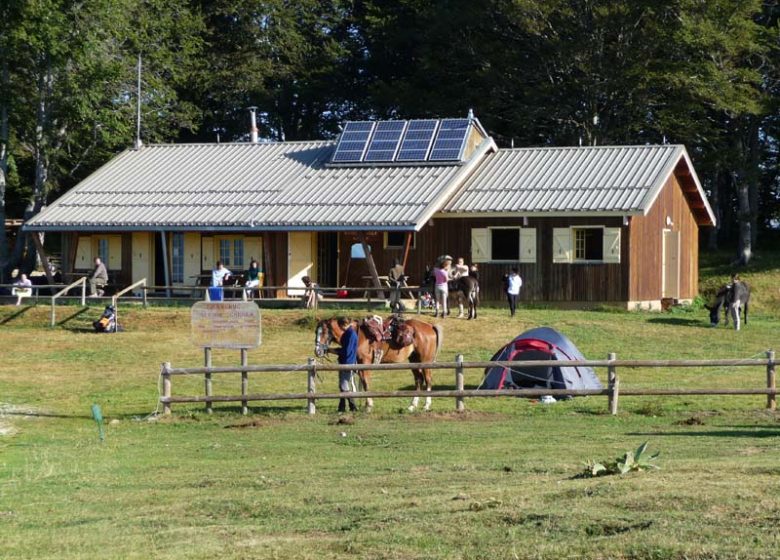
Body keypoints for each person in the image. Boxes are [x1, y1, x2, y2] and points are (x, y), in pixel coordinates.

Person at [334, 317, 358, 413]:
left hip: (347, 362)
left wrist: (333, 351)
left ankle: (353, 406)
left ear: (343, 325)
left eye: (340, 326)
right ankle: (342, 406)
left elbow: (346, 351)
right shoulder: (348, 333)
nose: (340, 328)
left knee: (344, 385)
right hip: (345, 361)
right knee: (342, 385)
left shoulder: (350, 334)